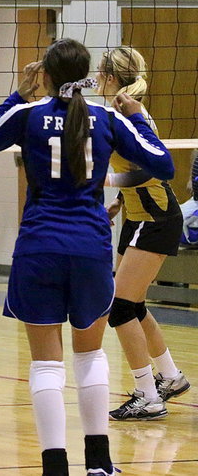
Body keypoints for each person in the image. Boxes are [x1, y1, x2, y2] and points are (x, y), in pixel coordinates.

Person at [0, 38, 175, 476]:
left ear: (45, 73)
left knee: (46, 363)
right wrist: (139, 120)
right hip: (89, 248)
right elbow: (163, 164)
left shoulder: (29, 114)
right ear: (85, 74)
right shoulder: (107, 118)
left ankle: (54, 466)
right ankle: (99, 463)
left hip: (39, 248)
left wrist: (19, 95)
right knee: (90, 357)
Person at [96, 46, 190, 421]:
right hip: (139, 216)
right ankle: (169, 376)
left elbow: (151, 171)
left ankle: (147, 394)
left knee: (117, 307)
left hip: (156, 218)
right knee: (130, 305)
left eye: (100, 73)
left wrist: (104, 180)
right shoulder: (120, 110)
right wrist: (118, 201)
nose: (97, 78)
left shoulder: (130, 115)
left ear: (110, 77)